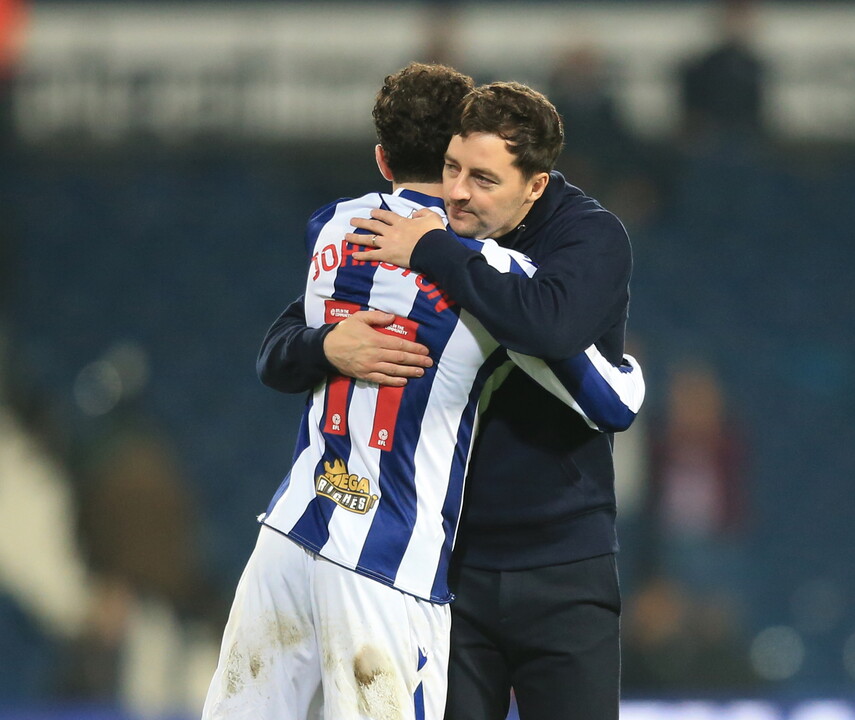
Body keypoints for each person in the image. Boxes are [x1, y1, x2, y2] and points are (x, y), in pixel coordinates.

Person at [206, 64, 643, 720]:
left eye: (484, 177)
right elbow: (608, 396)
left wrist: (349, 325)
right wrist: (329, 345)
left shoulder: (340, 228)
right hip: (411, 561)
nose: (464, 193)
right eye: (458, 170)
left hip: (321, 529)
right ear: (448, 156)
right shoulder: (491, 269)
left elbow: (279, 349)